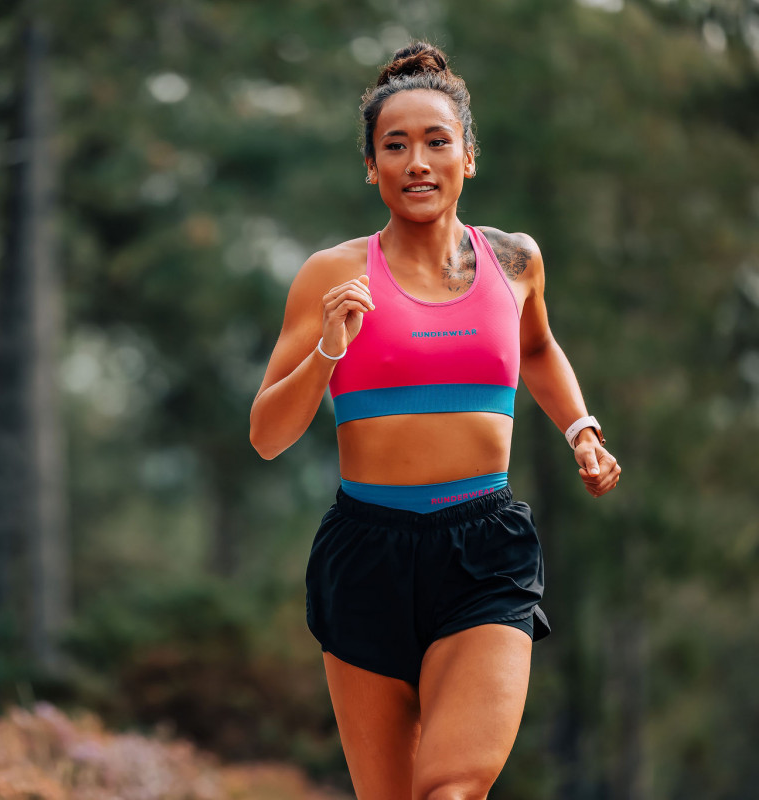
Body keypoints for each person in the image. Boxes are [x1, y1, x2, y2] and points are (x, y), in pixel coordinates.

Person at [248, 42, 621, 800]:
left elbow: (540, 350)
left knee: (451, 790)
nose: (417, 161)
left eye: (436, 142)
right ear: (371, 167)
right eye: (396, 145)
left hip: (485, 553)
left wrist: (579, 427)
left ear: (468, 158)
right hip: (366, 554)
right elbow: (266, 435)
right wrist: (328, 349)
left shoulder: (515, 263)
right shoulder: (333, 274)